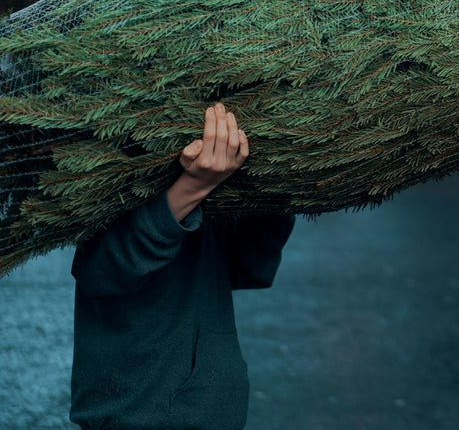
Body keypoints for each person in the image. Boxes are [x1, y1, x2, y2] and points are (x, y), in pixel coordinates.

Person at [70, 103, 295, 430]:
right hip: (136, 413)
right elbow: (101, 271)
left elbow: (249, 267)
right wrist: (192, 187)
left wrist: (278, 190)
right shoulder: (116, 143)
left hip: (211, 408)